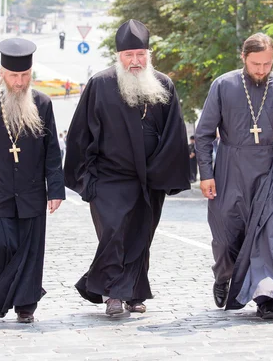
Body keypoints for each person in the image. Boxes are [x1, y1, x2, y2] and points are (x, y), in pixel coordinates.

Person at [64, 19, 190, 317]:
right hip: (108, 179)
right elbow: (80, 135)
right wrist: (86, 180)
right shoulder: (101, 84)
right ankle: (113, 295)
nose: (135, 61)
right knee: (114, 234)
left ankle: (133, 294)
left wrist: (162, 174)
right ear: (118, 57)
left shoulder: (163, 85)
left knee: (141, 236)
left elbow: (174, 133)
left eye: (140, 55)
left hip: (149, 178)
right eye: (128, 56)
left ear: (149, 54)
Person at [194, 32, 273, 320]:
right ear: (243, 58)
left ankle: (267, 297)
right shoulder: (223, 85)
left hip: (270, 171)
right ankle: (225, 276)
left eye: (267, 64)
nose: (261, 70)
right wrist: (206, 174)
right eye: (255, 64)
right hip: (229, 168)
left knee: (272, 237)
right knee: (225, 237)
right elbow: (204, 133)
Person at [0, 38, 65, 323]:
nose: (19, 82)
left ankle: (25, 305)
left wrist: (55, 189)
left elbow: (51, 152)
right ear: (2, 74)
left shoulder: (43, 104)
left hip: (32, 192)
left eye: (24, 76)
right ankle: (1, 287)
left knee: (31, 251)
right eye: (14, 76)